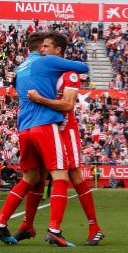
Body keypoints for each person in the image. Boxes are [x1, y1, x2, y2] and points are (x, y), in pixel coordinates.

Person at [0, 32, 89, 247]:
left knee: (30, 178)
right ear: (41, 47)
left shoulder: (20, 68)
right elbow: (83, 67)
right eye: (45, 45)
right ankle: (54, 230)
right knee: (60, 175)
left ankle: (2, 223)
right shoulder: (47, 60)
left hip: (24, 128)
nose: (45, 49)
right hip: (45, 124)